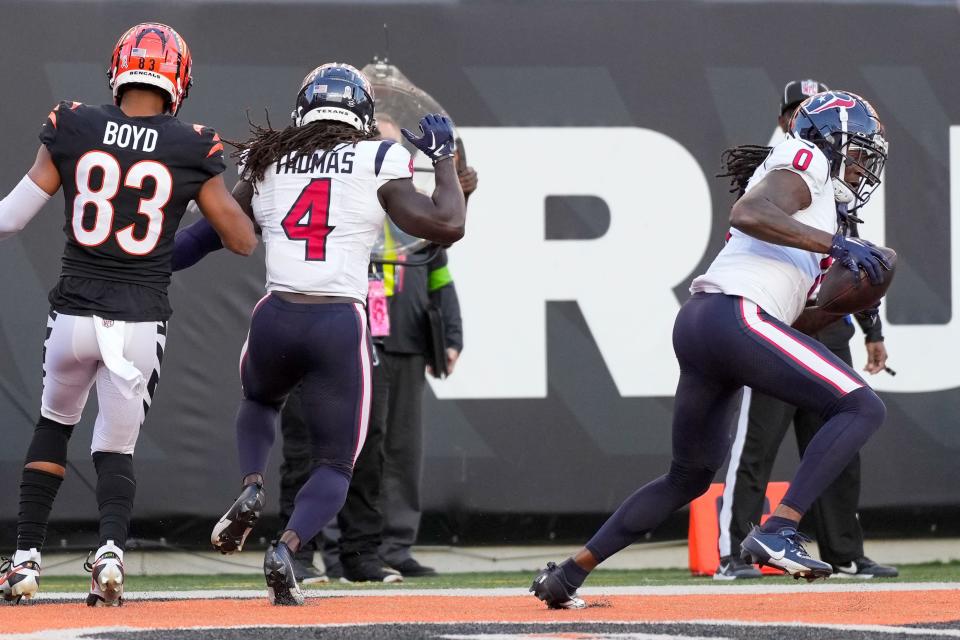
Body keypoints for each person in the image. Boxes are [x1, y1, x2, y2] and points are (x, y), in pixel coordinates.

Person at [531, 90, 890, 609]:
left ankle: (568, 573)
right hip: (733, 317)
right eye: (856, 149)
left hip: (705, 323)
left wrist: (856, 298)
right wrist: (838, 247)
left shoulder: (816, 210)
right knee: (861, 405)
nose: (862, 163)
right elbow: (749, 211)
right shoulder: (804, 158)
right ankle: (779, 529)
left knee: (689, 476)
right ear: (830, 141)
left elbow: (800, 318)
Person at [189, 63, 465, 605]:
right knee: (337, 463)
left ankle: (250, 486)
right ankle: (287, 549)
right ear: (360, 114)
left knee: (260, 403)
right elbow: (447, 225)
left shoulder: (268, 158)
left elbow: (208, 235)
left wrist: (141, 260)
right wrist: (446, 163)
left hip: (275, 314)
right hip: (338, 319)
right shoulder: (379, 156)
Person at [0, 23, 256, 606]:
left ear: (119, 70)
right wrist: (247, 192)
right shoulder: (193, 144)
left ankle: (25, 561)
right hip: (139, 319)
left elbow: (10, 218)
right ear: (178, 81)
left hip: (73, 311)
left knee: (53, 423)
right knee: (115, 448)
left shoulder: (73, 123)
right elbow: (240, 240)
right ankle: (111, 554)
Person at [714, 80, 897, 580]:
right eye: (795, 111)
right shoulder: (795, 163)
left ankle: (842, 551)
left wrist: (871, 326)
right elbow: (756, 219)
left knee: (839, 432)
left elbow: (848, 255)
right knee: (759, 439)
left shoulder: (833, 178)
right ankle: (734, 551)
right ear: (789, 122)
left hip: (818, 313)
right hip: (773, 313)